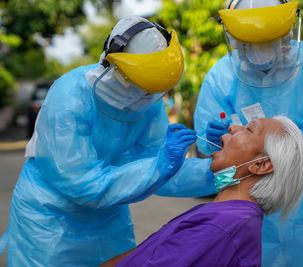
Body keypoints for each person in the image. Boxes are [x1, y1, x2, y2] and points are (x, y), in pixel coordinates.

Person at [1, 16, 216, 266]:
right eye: (142, 87)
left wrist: (223, 174)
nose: (147, 98)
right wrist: (159, 165)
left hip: (109, 218)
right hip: (50, 221)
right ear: (116, 69)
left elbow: (163, 174)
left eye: (154, 92)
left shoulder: (145, 101)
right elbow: (84, 186)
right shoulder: (69, 100)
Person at [194, 0, 303, 266]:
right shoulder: (222, 75)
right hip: (249, 202)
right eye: (250, 43)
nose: (261, 52)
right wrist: (215, 141)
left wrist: (287, 141)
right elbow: (207, 147)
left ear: (286, 34)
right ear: (235, 39)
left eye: (269, 41)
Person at [100, 116, 303, 267]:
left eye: (248, 129)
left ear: (261, 165)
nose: (232, 128)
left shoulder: (222, 227)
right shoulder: (228, 217)